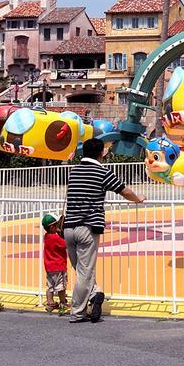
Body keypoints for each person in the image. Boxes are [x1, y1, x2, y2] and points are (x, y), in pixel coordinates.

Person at [64, 138, 145, 323]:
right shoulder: (102, 172)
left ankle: (94, 294)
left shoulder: (73, 172)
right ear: (101, 153)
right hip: (88, 227)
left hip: (69, 227)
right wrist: (138, 199)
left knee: (81, 270)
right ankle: (77, 312)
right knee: (85, 271)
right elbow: (124, 191)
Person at [41, 213, 68, 313]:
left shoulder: (47, 236)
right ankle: (62, 303)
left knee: (50, 286)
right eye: (57, 225)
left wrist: (57, 231)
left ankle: (50, 303)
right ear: (52, 227)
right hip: (59, 266)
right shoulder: (56, 238)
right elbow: (65, 245)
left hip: (49, 267)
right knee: (61, 286)